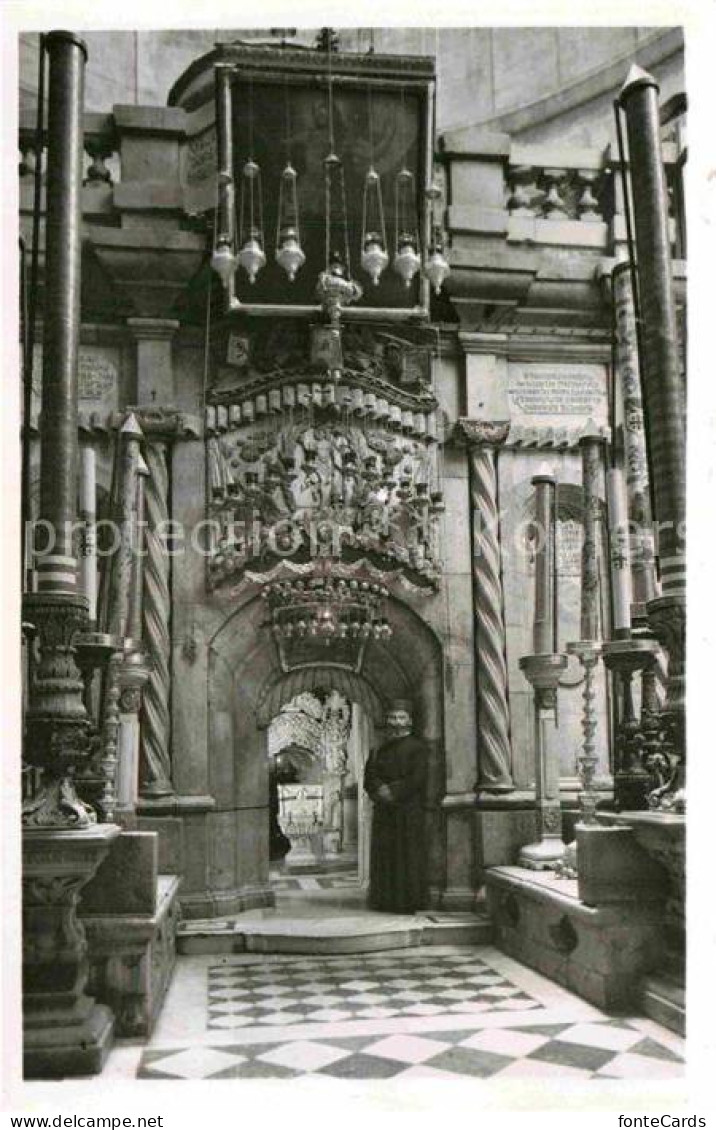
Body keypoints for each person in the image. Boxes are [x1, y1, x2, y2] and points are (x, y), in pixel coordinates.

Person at [363, 700, 428, 913]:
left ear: (409, 720)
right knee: (386, 856)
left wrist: (393, 793)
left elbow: (418, 778)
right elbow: (370, 776)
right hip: (384, 812)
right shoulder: (379, 749)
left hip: (407, 811)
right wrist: (378, 789)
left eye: (401, 717)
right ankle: (384, 901)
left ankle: (406, 903)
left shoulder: (418, 748)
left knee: (406, 856)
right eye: (392, 717)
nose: (396, 721)